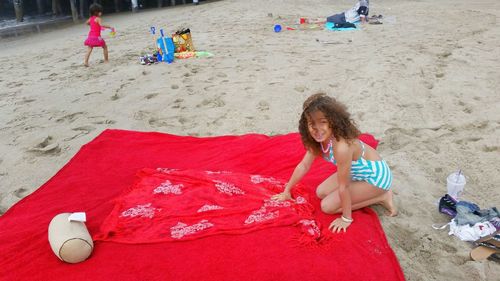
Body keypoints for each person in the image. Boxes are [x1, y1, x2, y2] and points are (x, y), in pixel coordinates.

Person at [272, 93, 397, 233]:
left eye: (323, 122)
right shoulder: (318, 141)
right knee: (321, 192)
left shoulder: (341, 146)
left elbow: (344, 186)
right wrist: (286, 191)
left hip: (376, 178)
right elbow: (304, 165)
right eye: (312, 123)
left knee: (327, 207)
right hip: (356, 173)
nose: (317, 129)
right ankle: (372, 193)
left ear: (333, 121)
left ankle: (382, 196)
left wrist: (346, 218)